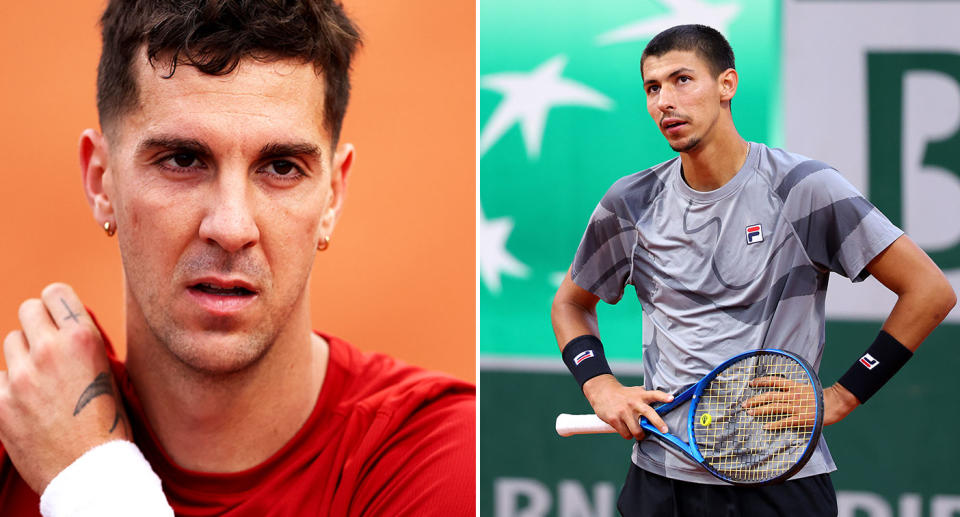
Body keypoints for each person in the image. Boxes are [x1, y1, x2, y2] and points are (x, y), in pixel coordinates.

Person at [0, 1, 475, 515]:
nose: (230, 227)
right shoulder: (18, 439)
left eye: (281, 167)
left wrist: (89, 479)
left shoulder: (444, 455)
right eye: (183, 160)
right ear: (100, 181)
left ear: (332, 197)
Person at [551, 24, 955, 516]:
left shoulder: (804, 188)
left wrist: (843, 397)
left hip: (779, 479)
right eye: (652, 88)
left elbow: (929, 291)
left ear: (727, 85)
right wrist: (600, 386)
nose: (664, 101)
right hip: (660, 483)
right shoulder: (630, 203)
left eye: (682, 80)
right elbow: (571, 303)